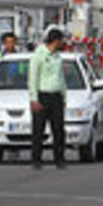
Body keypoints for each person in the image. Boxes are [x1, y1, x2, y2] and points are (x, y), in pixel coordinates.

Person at [28, 28, 68, 170]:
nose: (62, 44)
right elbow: (33, 78)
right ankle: (36, 159)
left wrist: (64, 97)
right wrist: (34, 99)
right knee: (38, 130)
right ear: (55, 41)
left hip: (56, 96)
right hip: (42, 96)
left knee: (59, 130)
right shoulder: (39, 55)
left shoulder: (58, 56)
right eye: (61, 41)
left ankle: (59, 159)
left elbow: (61, 78)